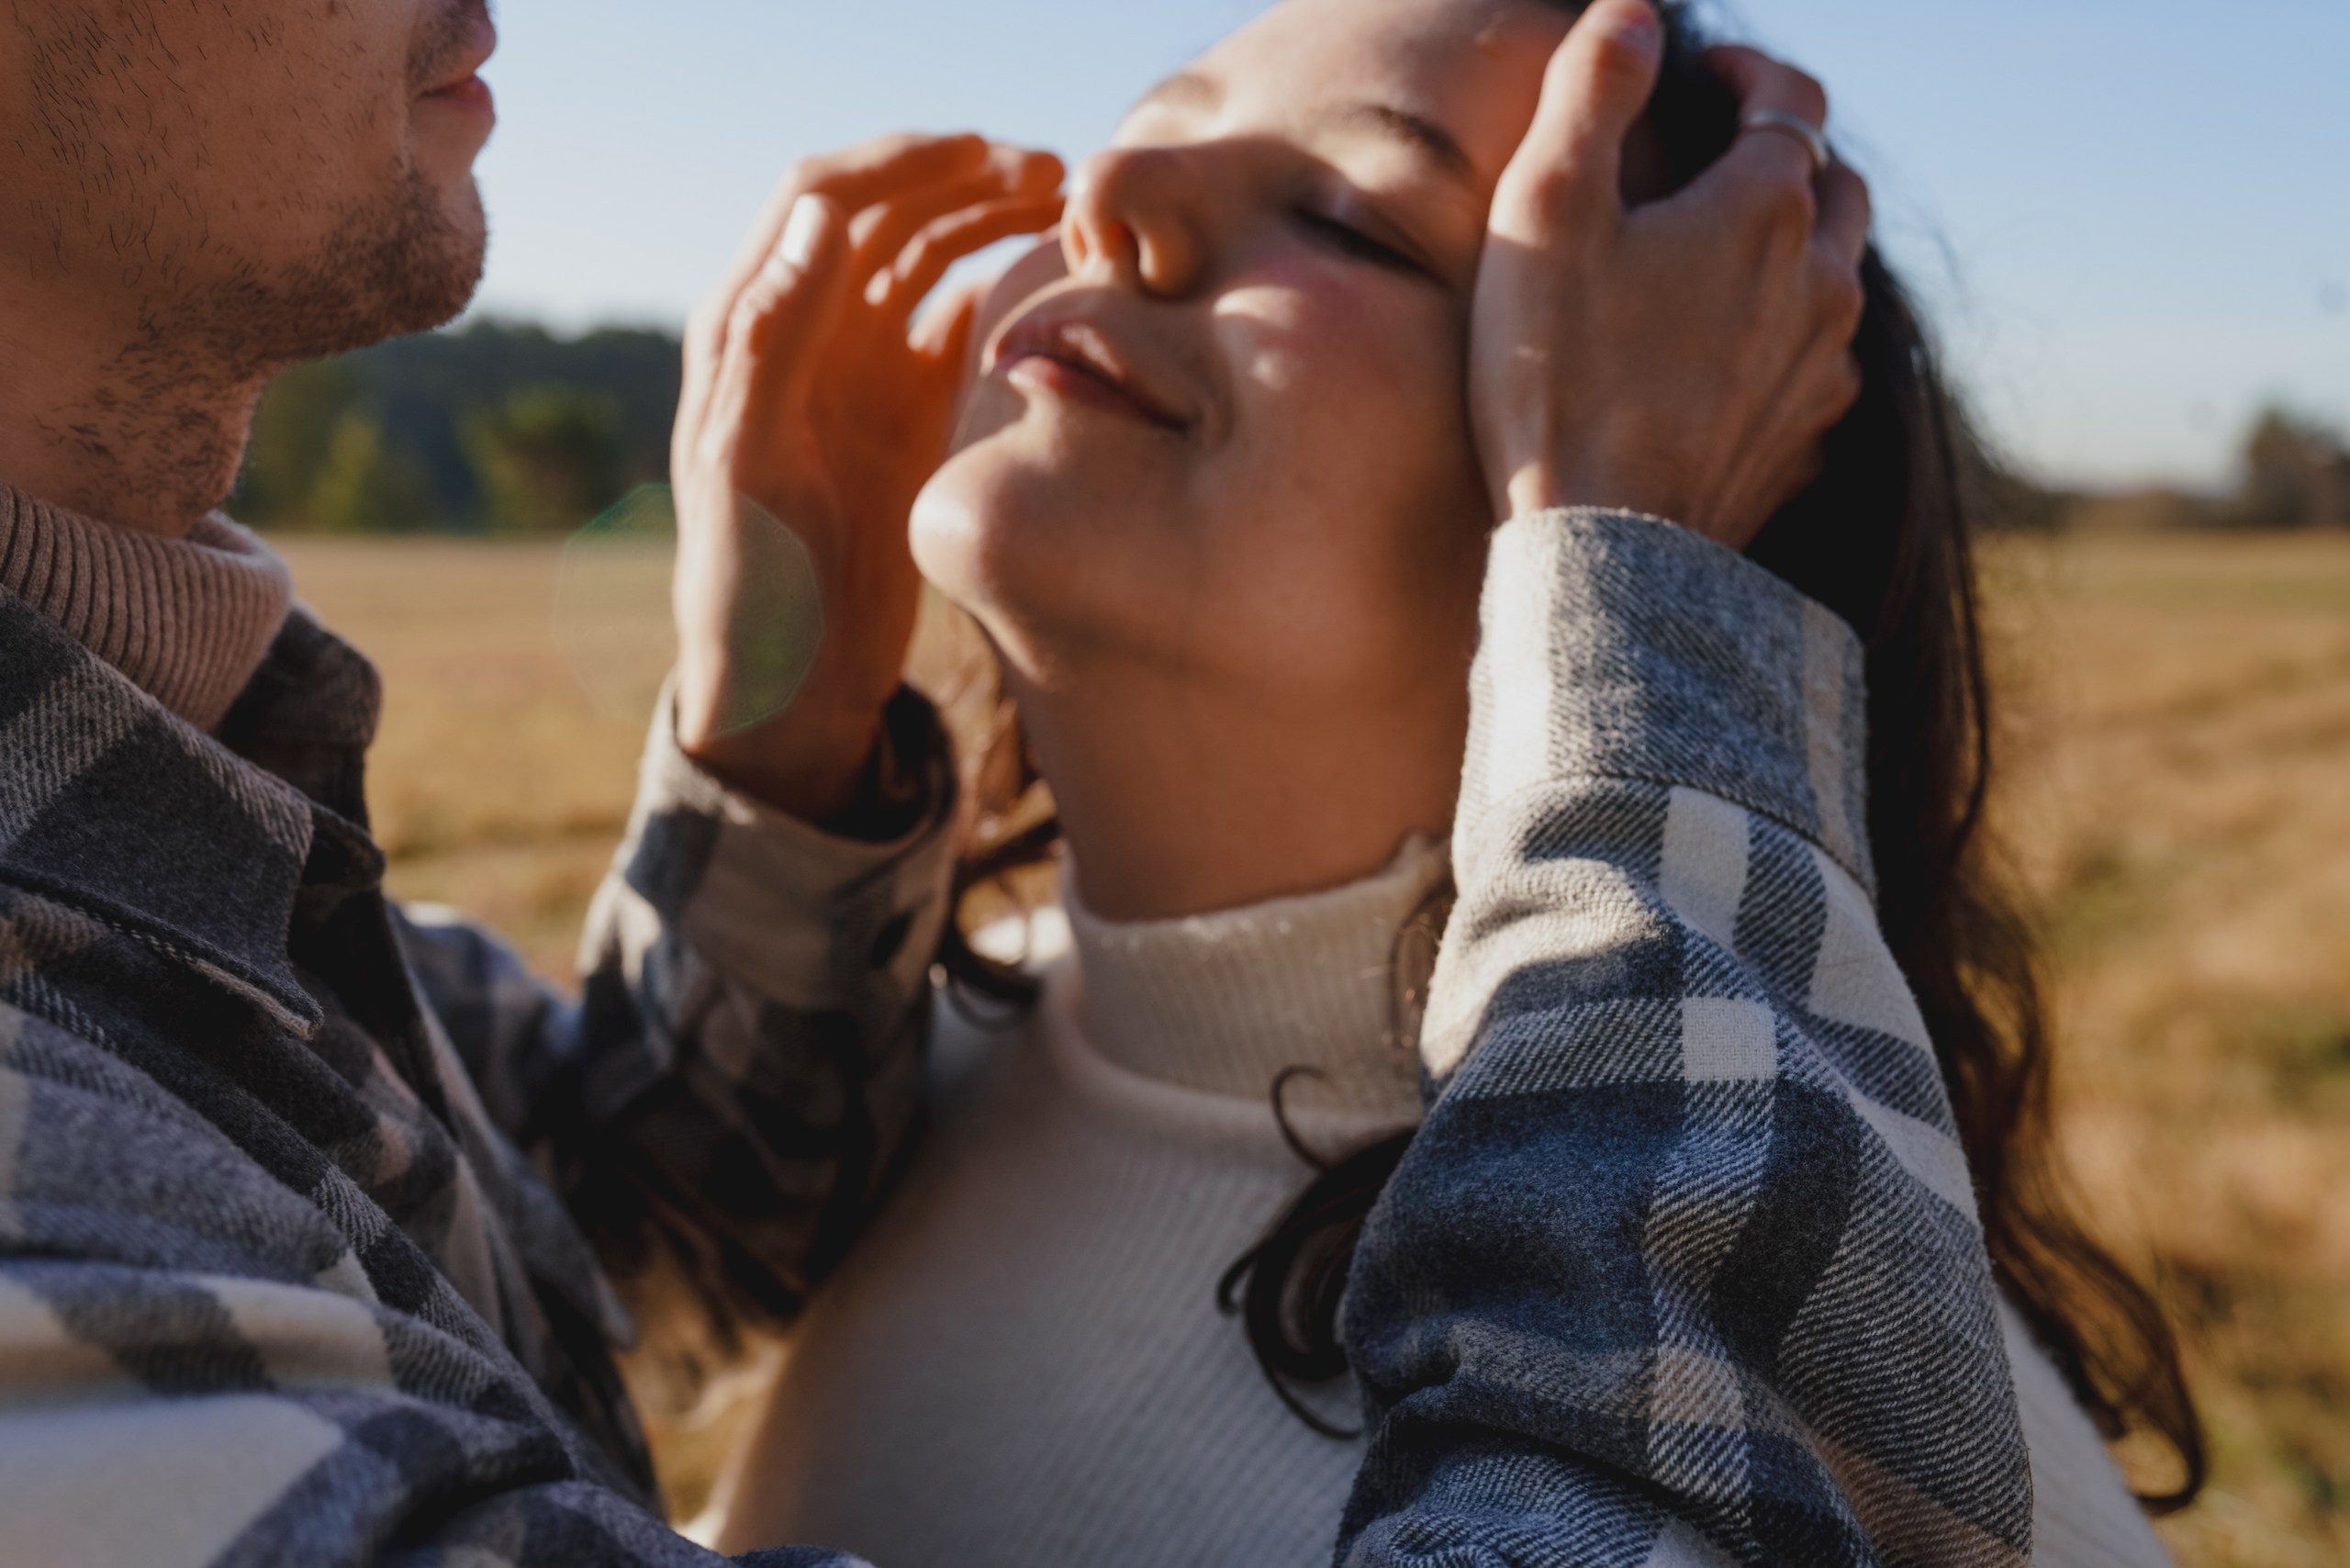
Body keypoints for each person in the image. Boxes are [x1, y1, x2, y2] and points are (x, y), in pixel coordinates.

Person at [686, 1, 2203, 1566]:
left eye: (1351, 220)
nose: (1112, 193)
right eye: (1144, 125)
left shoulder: (1903, 1474)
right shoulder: (900, 1062)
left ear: (1650, 509)